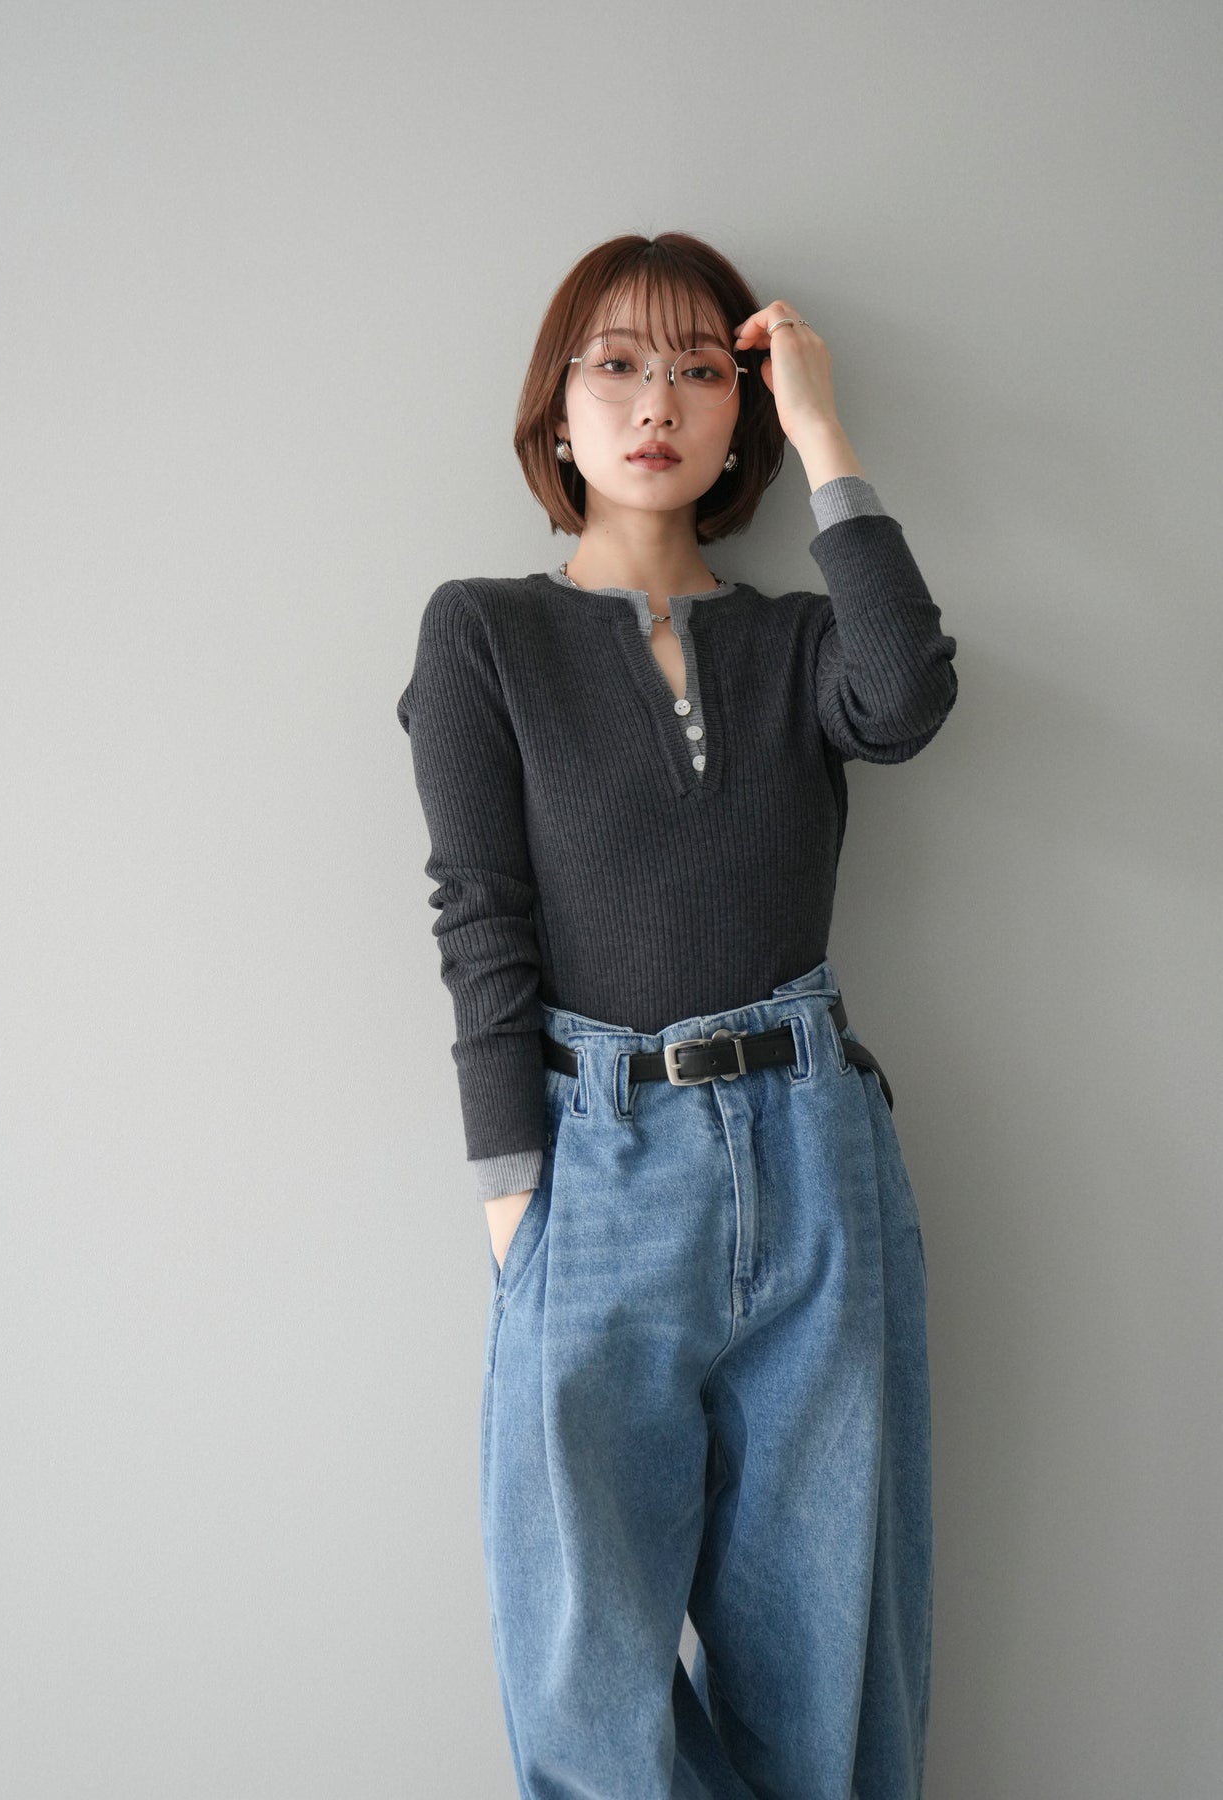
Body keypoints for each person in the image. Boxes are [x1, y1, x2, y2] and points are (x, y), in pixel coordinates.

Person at [395, 230, 958, 1800]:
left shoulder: (795, 644)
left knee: (829, 1664)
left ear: (740, 415)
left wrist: (825, 430)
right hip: (594, 1164)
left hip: (816, 1150)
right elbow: (478, 914)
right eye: (617, 364)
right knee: (589, 1688)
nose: (656, 402)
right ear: (556, 405)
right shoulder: (483, 633)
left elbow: (904, 696)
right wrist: (512, 1197)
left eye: (701, 371)